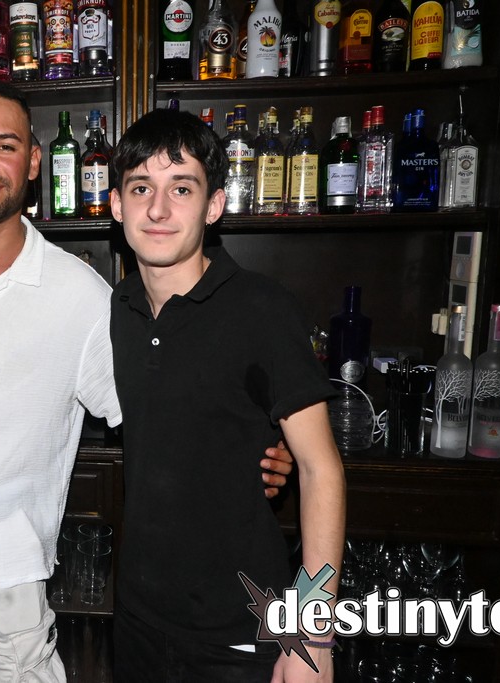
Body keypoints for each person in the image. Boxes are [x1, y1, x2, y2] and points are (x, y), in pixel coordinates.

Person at [0, 79, 296, 682]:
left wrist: (262, 443)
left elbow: (159, 409)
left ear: (34, 161)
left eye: (5, 145)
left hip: (5, 577)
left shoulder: (83, 296)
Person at [108, 108, 347, 682]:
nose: (158, 209)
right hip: (137, 620)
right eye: (140, 188)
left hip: (239, 630)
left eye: (181, 188)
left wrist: (313, 635)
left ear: (214, 205)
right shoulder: (117, 308)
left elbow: (321, 469)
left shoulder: (261, 308)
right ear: (116, 205)